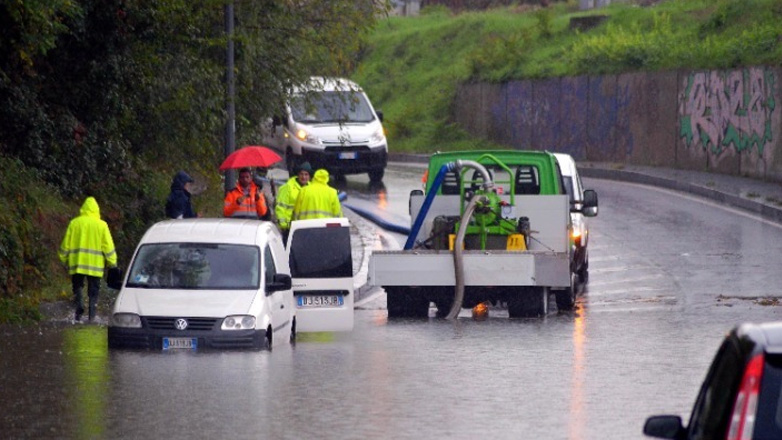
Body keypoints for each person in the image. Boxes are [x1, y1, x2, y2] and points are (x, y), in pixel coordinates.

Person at [59, 196, 118, 322]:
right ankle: (92, 316)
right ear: (97, 210)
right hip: (95, 266)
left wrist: (63, 259)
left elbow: (65, 245)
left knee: (77, 285)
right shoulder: (102, 225)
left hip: (77, 263)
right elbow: (108, 246)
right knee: (94, 291)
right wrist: (112, 263)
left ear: (83, 209)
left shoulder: (74, 223)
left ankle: (79, 303)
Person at [275, 161, 312, 239]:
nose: (304, 177)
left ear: (309, 176)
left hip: (306, 227)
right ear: (298, 175)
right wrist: (284, 225)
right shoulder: (288, 187)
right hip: (290, 227)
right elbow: (281, 207)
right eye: (301, 174)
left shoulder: (312, 189)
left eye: (306, 174)